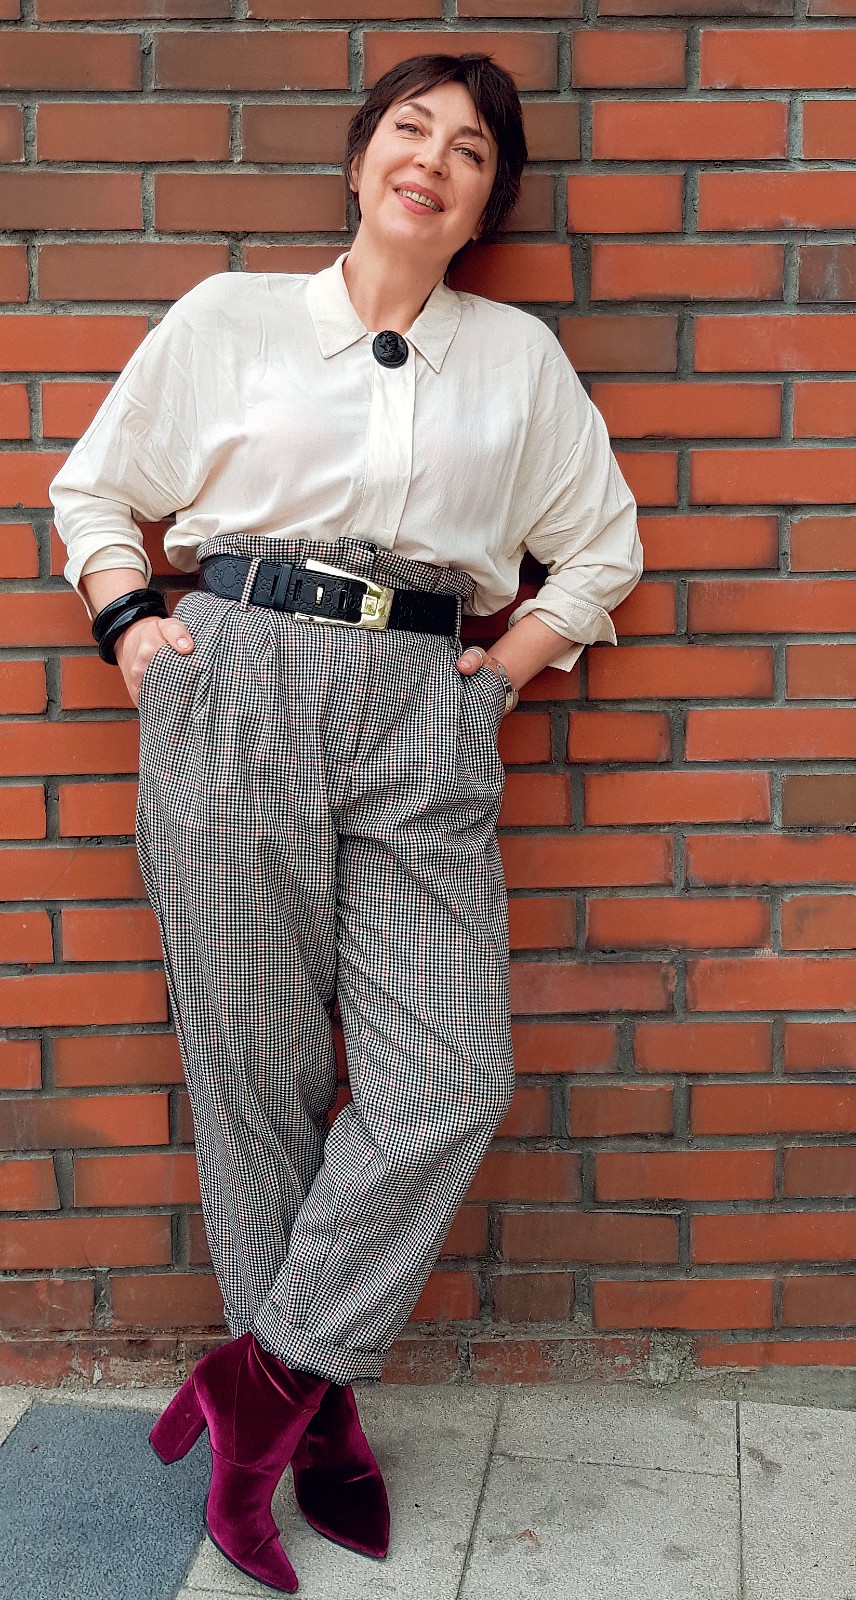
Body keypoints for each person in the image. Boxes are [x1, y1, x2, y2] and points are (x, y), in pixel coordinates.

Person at [49, 51, 643, 1593]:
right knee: (256, 1075)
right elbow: (95, 493)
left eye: (469, 150)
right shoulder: (232, 318)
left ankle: (259, 1381)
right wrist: (132, 631)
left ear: (487, 204)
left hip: (421, 706)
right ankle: (315, 1424)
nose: (432, 160)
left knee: (450, 1075)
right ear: (363, 156)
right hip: (234, 675)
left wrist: (499, 677)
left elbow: (600, 550)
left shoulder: (515, 359)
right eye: (410, 129)